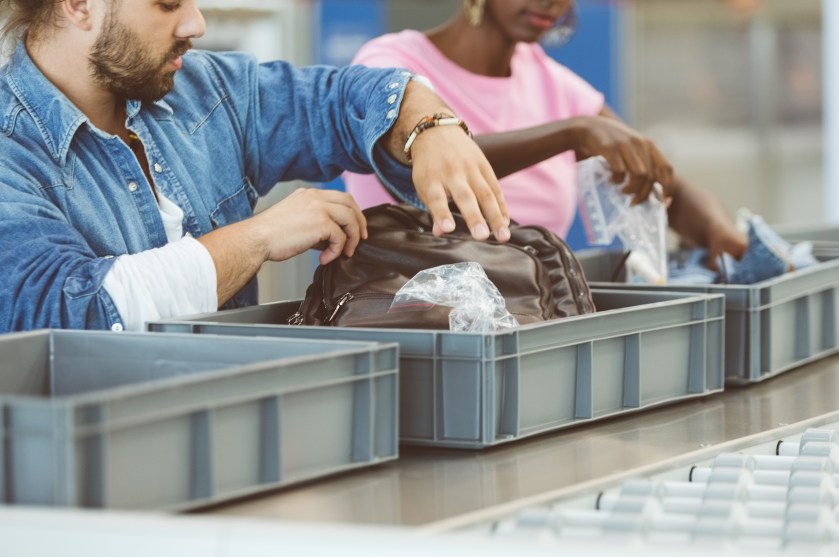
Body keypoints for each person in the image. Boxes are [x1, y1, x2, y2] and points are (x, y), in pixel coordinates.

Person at [0, 0, 511, 333]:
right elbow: (67, 312)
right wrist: (256, 238)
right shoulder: (10, 150)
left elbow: (337, 102)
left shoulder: (209, 91)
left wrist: (428, 123)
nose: (195, 23)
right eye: (168, 4)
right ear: (79, 5)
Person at [343, 0, 747, 264]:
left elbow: (652, 178)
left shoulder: (556, 87)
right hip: (407, 318)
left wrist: (718, 230)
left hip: (529, 319)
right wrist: (571, 133)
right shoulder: (390, 63)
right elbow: (438, 160)